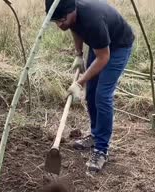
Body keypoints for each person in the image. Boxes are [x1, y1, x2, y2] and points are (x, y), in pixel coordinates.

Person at [45, 0, 134, 172]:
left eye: (62, 19)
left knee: (102, 95)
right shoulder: (71, 15)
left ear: (73, 11)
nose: (59, 24)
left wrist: (79, 82)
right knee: (91, 93)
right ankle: (95, 134)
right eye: (55, 21)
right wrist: (78, 54)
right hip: (100, 45)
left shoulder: (93, 21)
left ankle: (101, 149)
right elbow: (75, 28)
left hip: (118, 47)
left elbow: (104, 57)